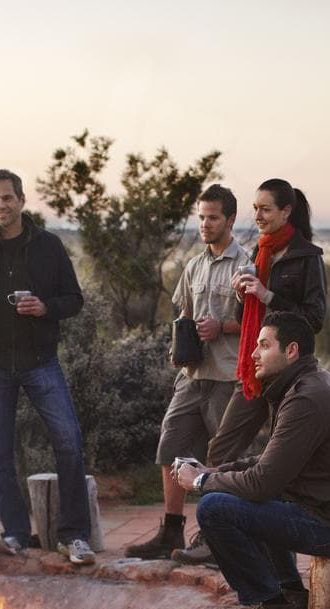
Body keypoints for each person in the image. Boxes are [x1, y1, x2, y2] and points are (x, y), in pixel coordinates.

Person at [175, 311, 330, 609]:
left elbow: (261, 483)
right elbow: (271, 463)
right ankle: (290, 596)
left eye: (263, 345)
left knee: (214, 508)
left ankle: (269, 608)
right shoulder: (307, 385)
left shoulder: (306, 398)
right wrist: (216, 471)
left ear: (291, 351)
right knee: (250, 493)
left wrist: (201, 483)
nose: (253, 353)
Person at [177, 178, 327, 565]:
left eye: (265, 209)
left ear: (286, 212)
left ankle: (280, 563)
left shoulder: (306, 257)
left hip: (290, 377)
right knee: (222, 448)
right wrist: (247, 299)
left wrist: (265, 294)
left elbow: (314, 319)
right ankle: (216, 537)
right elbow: (252, 319)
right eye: (255, 209)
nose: (257, 216)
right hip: (255, 370)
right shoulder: (260, 254)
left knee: (282, 466)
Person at [0, 169, 95, 565]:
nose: (1, 205)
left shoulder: (48, 246)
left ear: (22, 200)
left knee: (69, 442)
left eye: (7, 198)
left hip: (40, 362)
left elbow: (74, 299)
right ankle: (15, 533)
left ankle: (74, 536)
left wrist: (45, 307)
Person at [124, 184, 247, 560]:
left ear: (230, 219)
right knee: (172, 450)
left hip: (227, 377)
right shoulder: (194, 266)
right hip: (192, 376)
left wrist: (222, 328)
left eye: (213, 217)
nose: (205, 225)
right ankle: (171, 533)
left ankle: (216, 538)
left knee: (221, 460)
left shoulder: (247, 266)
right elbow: (186, 317)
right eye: (202, 217)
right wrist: (182, 344)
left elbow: (257, 325)